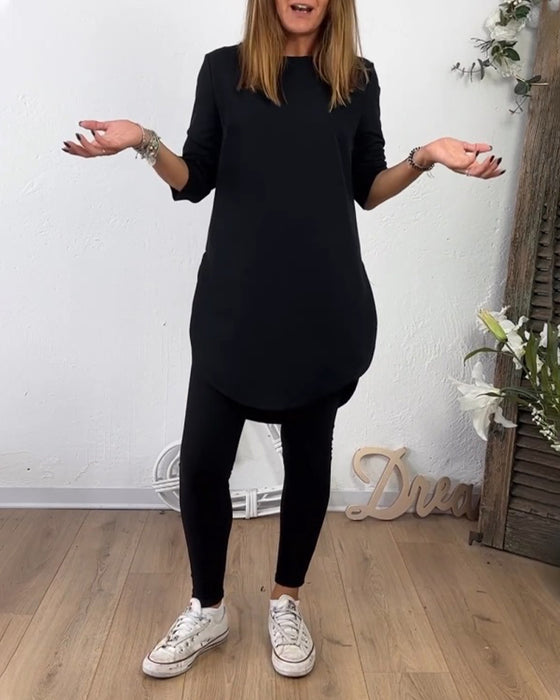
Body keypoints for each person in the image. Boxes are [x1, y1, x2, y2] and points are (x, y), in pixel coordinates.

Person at [63, 0, 504, 681]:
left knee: (307, 461)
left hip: (320, 303)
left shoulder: (356, 78)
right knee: (203, 464)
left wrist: (426, 157)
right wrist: (144, 141)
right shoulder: (224, 71)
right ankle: (208, 607)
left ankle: (286, 601)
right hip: (236, 301)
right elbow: (195, 178)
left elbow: (368, 188)